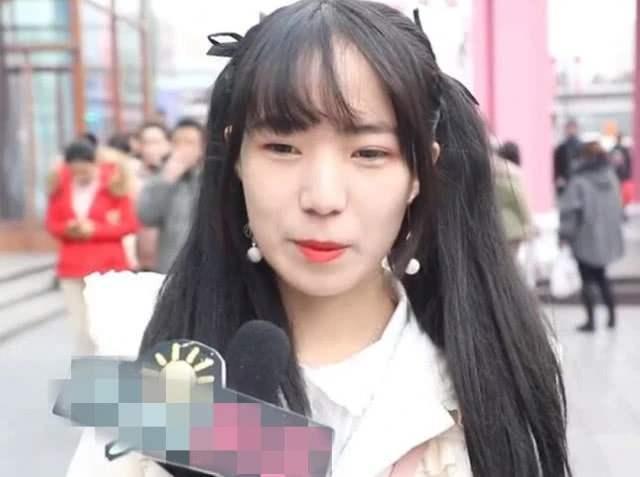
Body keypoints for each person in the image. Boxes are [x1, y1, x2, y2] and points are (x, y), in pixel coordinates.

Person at [66, 1, 570, 476]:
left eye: (369, 153)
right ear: (236, 158)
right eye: (283, 148)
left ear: (420, 171)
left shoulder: (491, 374)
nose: (323, 198)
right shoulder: (153, 359)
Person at [45, 140, 139, 355]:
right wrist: (68, 228)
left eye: (85, 170)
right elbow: (52, 223)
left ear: (94, 163)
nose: (80, 176)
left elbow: (130, 225)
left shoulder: (115, 183)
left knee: (106, 325)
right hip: (72, 266)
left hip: (107, 266)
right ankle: (86, 368)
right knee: (82, 328)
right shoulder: (59, 185)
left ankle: (113, 365)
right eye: (75, 171)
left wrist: (95, 229)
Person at [559, 139, 625, 332]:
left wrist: (564, 235)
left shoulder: (578, 180)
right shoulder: (611, 176)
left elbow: (571, 212)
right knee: (602, 275)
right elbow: (618, 206)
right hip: (605, 236)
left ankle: (591, 321)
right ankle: (611, 317)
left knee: (587, 278)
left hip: (584, 237)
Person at [136, 118, 205, 273]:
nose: (182, 148)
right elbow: (146, 216)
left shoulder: (212, 179)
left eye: (189, 142)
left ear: (202, 147)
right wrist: (167, 178)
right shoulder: (161, 177)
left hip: (205, 266)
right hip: (171, 266)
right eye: (177, 142)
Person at [134, 121, 173, 271]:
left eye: (156, 142)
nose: (151, 148)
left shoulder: (179, 178)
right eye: (146, 143)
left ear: (168, 144)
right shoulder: (129, 177)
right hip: (138, 261)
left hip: (169, 258)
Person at [494, 141, 535, 256]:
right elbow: (521, 200)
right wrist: (529, 223)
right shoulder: (514, 173)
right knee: (511, 259)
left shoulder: (492, 171)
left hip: (495, 223)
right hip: (513, 224)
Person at [553, 119, 581, 195]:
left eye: (572, 128)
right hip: (565, 181)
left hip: (578, 181)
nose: (571, 131)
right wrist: (558, 178)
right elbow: (556, 166)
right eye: (569, 128)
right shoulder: (561, 148)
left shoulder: (582, 147)